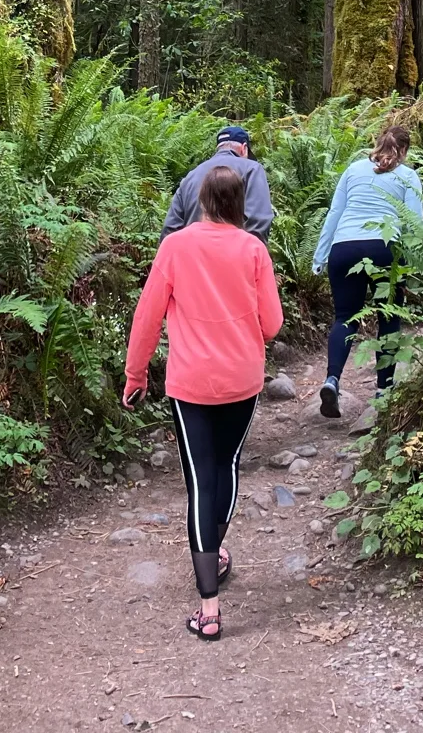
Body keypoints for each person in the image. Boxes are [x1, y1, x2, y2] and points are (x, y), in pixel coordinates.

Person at [124, 163, 282, 642]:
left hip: (191, 382)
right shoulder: (254, 249)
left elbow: (148, 315)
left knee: (199, 480)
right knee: (227, 467)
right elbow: (272, 324)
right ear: (238, 203)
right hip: (242, 380)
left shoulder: (174, 247)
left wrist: (135, 374)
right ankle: (217, 547)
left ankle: (209, 608)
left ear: (202, 201)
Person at [311, 124, 423, 419]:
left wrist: (320, 255)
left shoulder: (353, 169)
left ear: (377, 144)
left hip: (344, 247)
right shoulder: (408, 175)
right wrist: (418, 263)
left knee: (345, 318)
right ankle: (383, 391)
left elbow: (334, 213)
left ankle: (332, 380)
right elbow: (415, 224)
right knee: (388, 316)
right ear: (405, 150)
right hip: (385, 248)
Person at [160, 124, 273, 243]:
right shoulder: (252, 169)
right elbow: (259, 221)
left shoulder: (191, 176)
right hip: (234, 257)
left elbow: (170, 229)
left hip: (192, 257)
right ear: (244, 148)